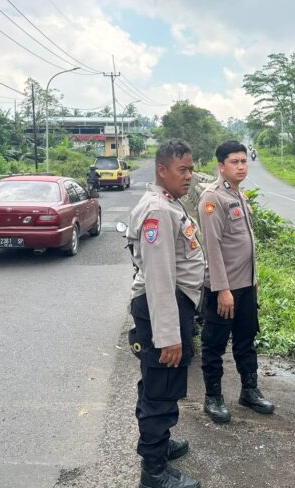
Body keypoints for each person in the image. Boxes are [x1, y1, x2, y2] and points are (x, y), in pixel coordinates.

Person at [127, 139, 204, 488]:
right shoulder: (158, 210)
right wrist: (169, 337)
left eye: (191, 168)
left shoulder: (169, 202)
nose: (189, 176)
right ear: (162, 170)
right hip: (165, 307)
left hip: (172, 305)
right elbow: (159, 280)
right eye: (182, 170)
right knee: (161, 388)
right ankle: (153, 472)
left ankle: (159, 443)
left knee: (159, 384)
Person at [197, 140, 274, 424]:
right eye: (235, 162)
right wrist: (222, 289)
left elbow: (246, 241)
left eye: (244, 161)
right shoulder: (212, 198)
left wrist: (253, 280)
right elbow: (213, 248)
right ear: (221, 166)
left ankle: (249, 391)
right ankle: (213, 397)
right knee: (214, 343)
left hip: (244, 285)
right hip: (223, 288)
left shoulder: (239, 194)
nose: (241, 166)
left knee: (246, 339)